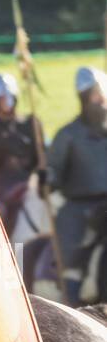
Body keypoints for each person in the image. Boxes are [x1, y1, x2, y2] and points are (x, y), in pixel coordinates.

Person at [46, 65, 107, 306]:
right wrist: (47, 178)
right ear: (84, 99)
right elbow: (54, 171)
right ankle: (73, 306)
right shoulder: (68, 135)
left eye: (101, 95)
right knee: (72, 263)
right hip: (79, 210)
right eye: (94, 96)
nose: (99, 101)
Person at [0, 72, 41, 233]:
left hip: (28, 181)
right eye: (1, 98)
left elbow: (41, 157)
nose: (6, 102)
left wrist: (40, 175)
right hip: (2, 183)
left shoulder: (30, 122)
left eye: (8, 97)